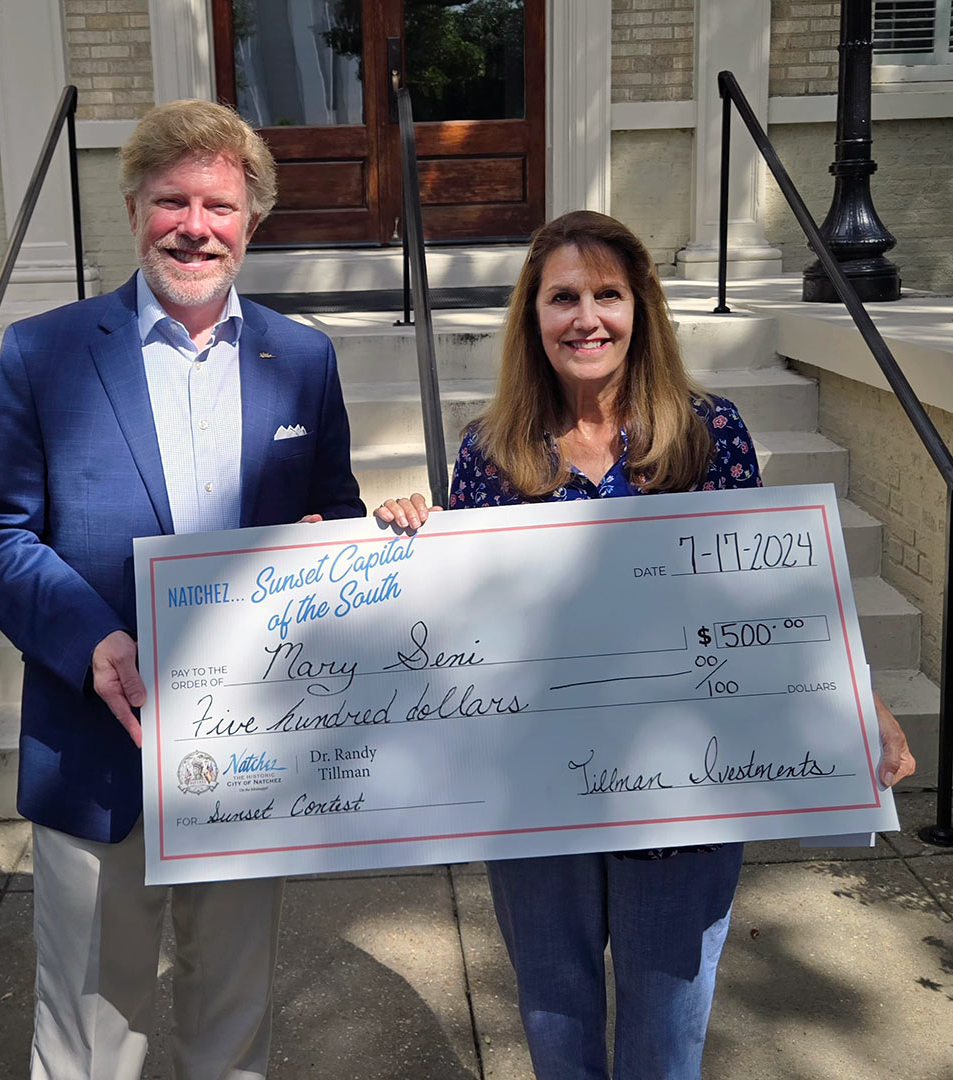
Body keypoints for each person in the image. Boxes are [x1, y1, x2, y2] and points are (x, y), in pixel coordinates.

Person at [375, 210, 916, 1079]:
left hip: (682, 787)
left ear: (641, 309)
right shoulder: (489, 452)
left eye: (607, 295)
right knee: (556, 1018)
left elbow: (767, 596)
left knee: (666, 1032)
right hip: (535, 792)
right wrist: (415, 538)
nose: (586, 318)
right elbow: (467, 621)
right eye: (562, 298)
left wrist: (857, 691)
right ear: (532, 318)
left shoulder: (709, 432)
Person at [0, 99, 364, 1080]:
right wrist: (88, 638)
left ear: (251, 222)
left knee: (234, 1014)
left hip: (249, 745)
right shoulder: (45, 354)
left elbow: (331, 516)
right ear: (133, 210)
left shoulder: (303, 360)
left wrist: (343, 541)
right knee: (91, 1028)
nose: (194, 226)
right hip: (98, 740)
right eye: (170, 201)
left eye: (219, 206)